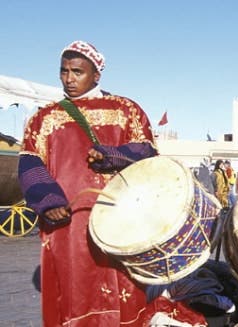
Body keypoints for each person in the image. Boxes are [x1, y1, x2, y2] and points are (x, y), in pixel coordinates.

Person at [17, 40, 158, 326]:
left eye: (77, 72)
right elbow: (30, 163)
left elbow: (147, 151)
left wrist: (112, 155)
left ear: (96, 75)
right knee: (74, 287)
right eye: (64, 71)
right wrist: (49, 201)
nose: (69, 79)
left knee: (124, 284)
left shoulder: (126, 110)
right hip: (69, 221)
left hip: (119, 217)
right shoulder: (42, 119)